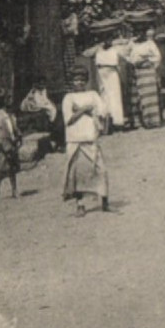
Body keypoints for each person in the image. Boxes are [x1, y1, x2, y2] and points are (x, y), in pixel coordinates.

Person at [62, 65, 109, 216]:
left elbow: (102, 111)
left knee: (100, 169)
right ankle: (80, 204)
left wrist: (90, 111)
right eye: (76, 80)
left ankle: (104, 200)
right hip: (75, 140)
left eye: (82, 80)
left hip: (90, 138)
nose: (79, 83)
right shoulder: (68, 98)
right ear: (72, 82)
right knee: (77, 173)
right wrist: (85, 109)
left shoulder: (93, 94)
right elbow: (68, 120)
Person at [128, 27, 163, 128]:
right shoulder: (131, 43)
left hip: (147, 72)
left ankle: (151, 121)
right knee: (136, 98)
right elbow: (125, 54)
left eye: (141, 32)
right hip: (136, 72)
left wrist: (147, 61)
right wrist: (132, 62)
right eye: (137, 32)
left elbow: (158, 57)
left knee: (148, 98)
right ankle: (137, 121)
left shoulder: (150, 43)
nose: (139, 35)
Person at [0, 95, 22, 199]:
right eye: (7, 100)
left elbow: (14, 127)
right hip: (3, 145)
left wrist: (18, 135)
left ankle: (14, 190)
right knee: (1, 169)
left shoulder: (10, 115)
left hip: (11, 143)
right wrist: (2, 146)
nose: (10, 102)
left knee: (12, 168)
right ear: (3, 103)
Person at [94, 36, 126, 131]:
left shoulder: (116, 49)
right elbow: (86, 53)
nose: (105, 42)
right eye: (103, 39)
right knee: (104, 96)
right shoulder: (98, 50)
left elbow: (126, 54)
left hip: (112, 72)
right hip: (101, 72)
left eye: (108, 39)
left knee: (115, 96)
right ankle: (106, 121)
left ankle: (117, 121)